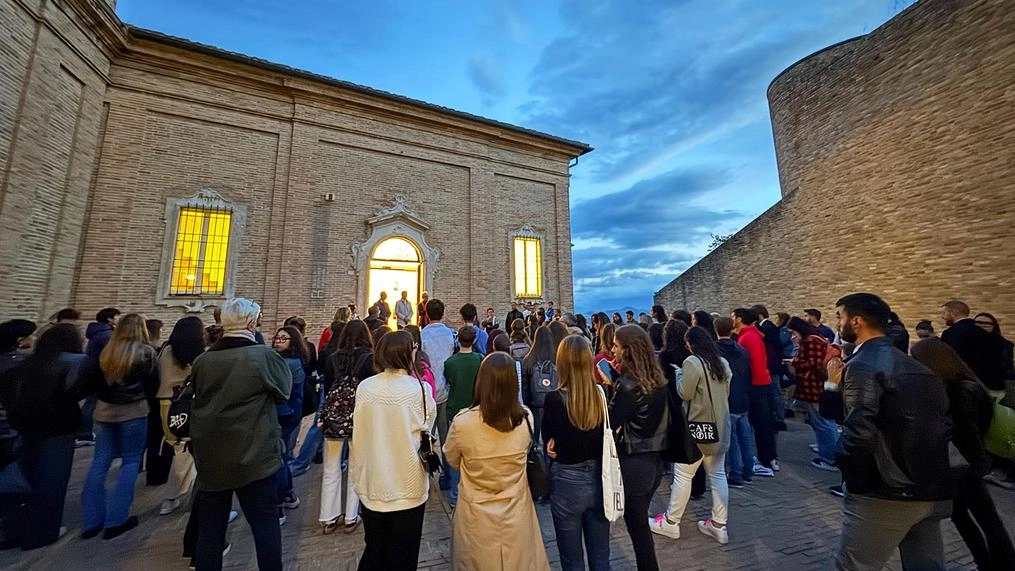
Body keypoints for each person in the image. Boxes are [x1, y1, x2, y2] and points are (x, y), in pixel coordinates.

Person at [833, 293, 955, 571]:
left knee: (854, 565)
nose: (838, 324)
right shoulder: (916, 366)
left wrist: (850, 474)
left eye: (839, 317)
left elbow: (858, 433)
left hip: (886, 490)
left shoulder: (862, 365)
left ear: (856, 321)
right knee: (926, 565)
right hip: (929, 484)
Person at [190, 298, 292, 571]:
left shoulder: (203, 360)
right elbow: (284, 391)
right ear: (251, 323)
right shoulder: (263, 356)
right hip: (254, 453)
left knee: (211, 528)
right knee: (264, 522)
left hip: (211, 454)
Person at [912, 338, 1015, 571]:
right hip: (965, 463)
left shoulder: (959, 390)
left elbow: (965, 432)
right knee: (970, 517)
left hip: (963, 465)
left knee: (980, 519)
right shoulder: (964, 384)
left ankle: (999, 564)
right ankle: (991, 563)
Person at [444, 352, 551, 571]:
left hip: (476, 514)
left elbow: (452, 459)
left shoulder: (463, 423)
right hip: (516, 511)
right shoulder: (525, 419)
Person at [350, 331, 434, 570]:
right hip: (408, 482)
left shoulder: (366, 387)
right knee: (405, 554)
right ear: (408, 353)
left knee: (375, 547)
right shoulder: (420, 389)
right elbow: (428, 426)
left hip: (373, 480)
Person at [0, 324, 83, 550]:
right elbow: (75, 393)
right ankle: (43, 533)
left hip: (23, 429)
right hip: (57, 430)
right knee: (52, 483)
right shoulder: (68, 364)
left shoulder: (22, 365)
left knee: (26, 477)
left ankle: (15, 529)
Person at [650, 326, 732, 545]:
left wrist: (678, 374)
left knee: (683, 475)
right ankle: (719, 524)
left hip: (697, 427)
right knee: (718, 475)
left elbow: (684, 393)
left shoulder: (692, 363)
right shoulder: (722, 363)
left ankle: (671, 521)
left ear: (691, 344)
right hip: (720, 426)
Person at [81, 313, 158, 540]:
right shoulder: (145, 353)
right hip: (134, 412)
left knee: (99, 462)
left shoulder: (105, 352)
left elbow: (90, 383)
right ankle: (116, 519)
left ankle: (91, 521)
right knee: (131, 462)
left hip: (104, 412)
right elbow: (152, 385)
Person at [543, 335, 609, 571]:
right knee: (601, 555)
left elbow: (548, 439)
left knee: (572, 558)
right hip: (600, 479)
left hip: (567, 479)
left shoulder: (554, 399)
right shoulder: (601, 395)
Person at [610, 325, 668, 571]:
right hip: (655, 461)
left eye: (615, 345)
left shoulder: (629, 384)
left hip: (635, 462)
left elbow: (611, 421)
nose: (612, 349)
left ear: (628, 350)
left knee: (639, 531)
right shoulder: (656, 378)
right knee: (640, 527)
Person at [319, 320, 374, 534]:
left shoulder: (332, 358)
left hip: (334, 419)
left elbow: (328, 388)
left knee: (331, 467)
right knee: (356, 465)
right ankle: (351, 515)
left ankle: (328, 516)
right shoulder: (369, 359)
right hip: (359, 416)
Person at [155, 316, 205, 516]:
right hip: (188, 403)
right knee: (188, 452)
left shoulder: (166, 350)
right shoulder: (196, 355)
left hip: (165, 403)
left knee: (177, 447)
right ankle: (180, 497)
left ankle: (172, 497)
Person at [785, 317, 839, 471]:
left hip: (813, 387)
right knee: (825, 422)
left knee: (823, 423)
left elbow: (813, 363)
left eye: (793, 332)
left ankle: (829, 459)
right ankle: (829, 454)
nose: (792, 336)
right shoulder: (816, 338)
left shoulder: (810, 341)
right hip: (817, 386)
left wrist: (794, 362)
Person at [731, 308, 776, 476]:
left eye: (733, 317)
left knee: (759, 424)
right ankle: (768, 458)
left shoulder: (747, 337)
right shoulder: (753, 334)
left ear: (740, 318)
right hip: (762, 381)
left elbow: (751, 364)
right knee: (763, 423)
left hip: (755, 384)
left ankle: (764, 460)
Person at [443, 326, 483, 507]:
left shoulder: (450, 362)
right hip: (476, 409)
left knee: (456, 453)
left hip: (456, 409)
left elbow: (449, 382)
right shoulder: (481, 360)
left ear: (458, 340)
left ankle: (455, 495)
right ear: (474, 340)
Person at [714, 317, 755, 488]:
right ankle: (748, 470)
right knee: (745, 437)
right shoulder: (741, 349)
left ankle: (736, 474)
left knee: (732, 439)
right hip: (743, 397)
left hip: (728, 398)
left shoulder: (715, 350)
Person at [271, 325, 307, 520]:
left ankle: (279, 503)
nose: (277, 341)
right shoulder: (287, 360)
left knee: (280, 458)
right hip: (290, 413)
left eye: (283, 338)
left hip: (284, 414)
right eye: (277, 338)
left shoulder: (289, 363)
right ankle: (288, 493)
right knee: (283, 456)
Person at [942, 300, 1005, 399]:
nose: (943, 317)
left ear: (952, 313)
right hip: (993, 386)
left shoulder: (951, 333)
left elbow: (951, 363)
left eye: (944, 313)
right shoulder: (985, 333)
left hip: (968, 389)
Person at [78, 307, 121, 447]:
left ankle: (85, 432)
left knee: (92, 402)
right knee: (92, 403)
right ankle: (84, 433)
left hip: (94, 371)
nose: (119, 319)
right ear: (110, 319)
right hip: (101, 373)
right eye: (117, 316)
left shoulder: (98, 333)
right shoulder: (106, 335)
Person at [420, 299, 455, 450]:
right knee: (446, 436)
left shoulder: (422, 335)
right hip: (446, 388)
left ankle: (426, 470)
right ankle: (448, 472)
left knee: (427, 435)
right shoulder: (451, 334)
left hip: (428, 390)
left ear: (426, 314)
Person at [522, 325, 558, 446]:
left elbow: (525, 386)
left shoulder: (528, 360)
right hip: (555, 403)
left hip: (535, 404)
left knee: (536, 438)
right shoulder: (557, 358)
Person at [974, 312, 1015, 394]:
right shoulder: (969, 343)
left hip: (995, 387)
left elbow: (1005, 365)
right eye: (978, 325)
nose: (982, 328)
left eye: (985, 325)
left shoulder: (1003, 345)